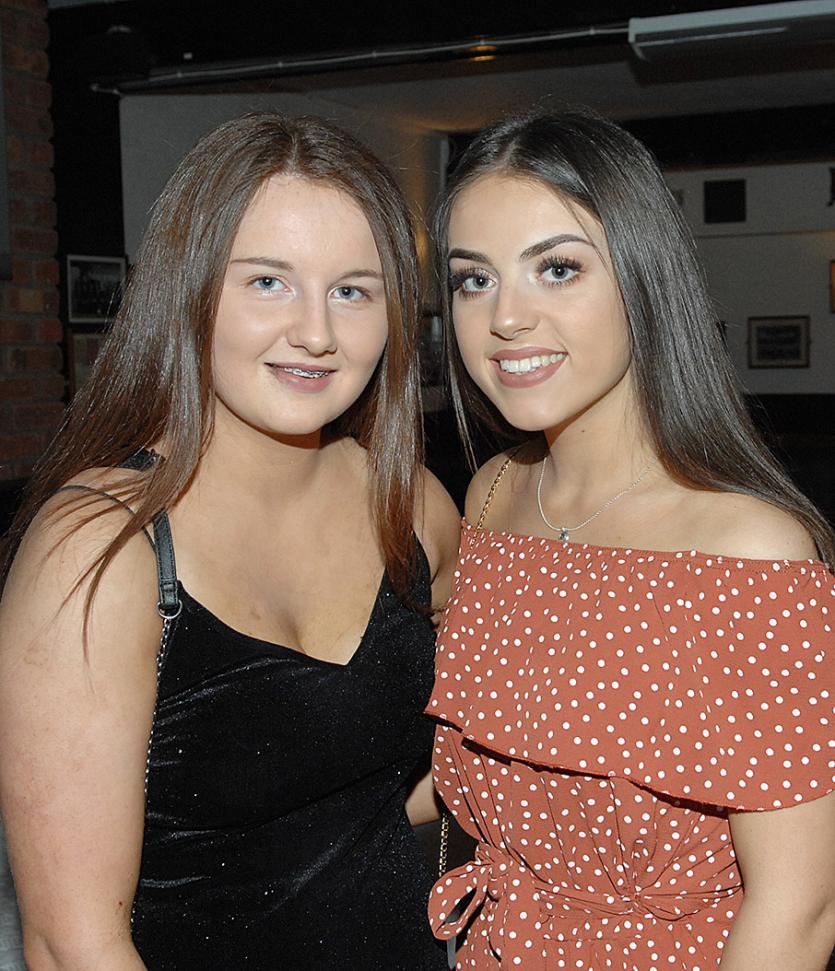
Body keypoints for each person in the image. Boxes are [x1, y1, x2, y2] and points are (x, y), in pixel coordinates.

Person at [0, 112, 459, 970]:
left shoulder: (411, 507)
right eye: (268, 282)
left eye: (353, 291)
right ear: (192, 290)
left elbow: (448, 763)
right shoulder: (100, 547)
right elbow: (72, 944)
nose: (316, 332)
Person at [426, 108, 835, 970]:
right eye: (474, 279)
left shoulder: (750, 551)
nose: (506, 318)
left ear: (644, 279)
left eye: (557, 268)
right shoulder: (492, 495)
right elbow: (499, 754)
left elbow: (798, 912)